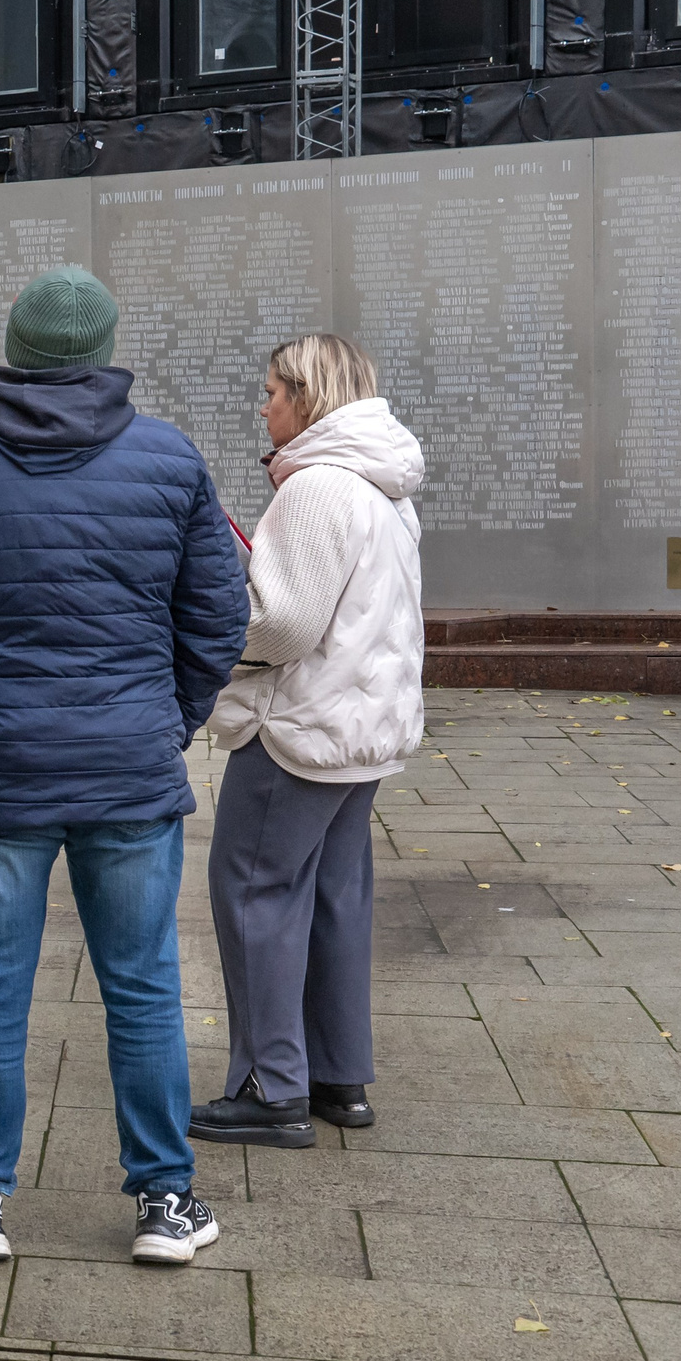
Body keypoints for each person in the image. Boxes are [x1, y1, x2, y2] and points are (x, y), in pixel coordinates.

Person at [0, 265, 247, 1267]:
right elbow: (218, 612)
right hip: (127, 762)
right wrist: (170, 718)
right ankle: (166, 1197)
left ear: (16, 348)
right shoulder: (169, 459)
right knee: (143, 983)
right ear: (103, 352)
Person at [190, 335, 424, 1150]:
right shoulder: (383, 487)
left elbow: (283, 625)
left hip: (299, 733)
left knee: (253, 889)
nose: (263, 407)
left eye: (271, 393)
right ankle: (336, 1077)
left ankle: (269, 1088)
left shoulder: (317, 488)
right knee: (335, 896)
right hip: (362, 733)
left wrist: (210, 625)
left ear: (308, 396)